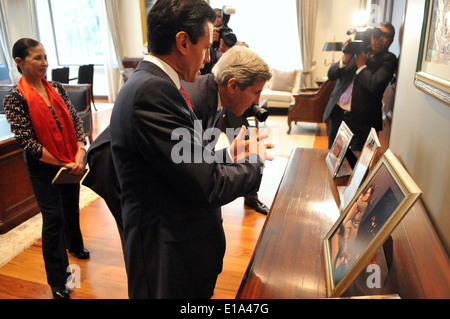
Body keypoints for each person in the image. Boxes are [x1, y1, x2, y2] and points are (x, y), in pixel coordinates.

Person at [110, 0, 269, 299]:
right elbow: (209, 184)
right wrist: (255, 160)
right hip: (167, 253)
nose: (208, 58)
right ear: (183, 42)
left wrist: (226, 156)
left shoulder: (163, 86)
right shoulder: (153, 92)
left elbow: (184, 160)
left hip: (181, 245)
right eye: (206, 47)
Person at [3, 38, 89, 299]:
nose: (45, 63)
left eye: (45, 57)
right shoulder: (14, 99)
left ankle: (74, 245)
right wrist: (65, 162)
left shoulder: (56, 88)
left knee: (71, 207)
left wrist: (80, 150)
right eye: (37, 58)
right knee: (53, 219)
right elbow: (27, 142)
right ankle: (58, 279)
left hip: (69, 160)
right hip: (44, 167)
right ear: (20, 62)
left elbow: (75, 120)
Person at [183, 45, 273, 215]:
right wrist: (255, 160)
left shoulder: (213, 94)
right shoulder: (193, 103)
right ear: (233, 86)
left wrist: (230, 154)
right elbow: (203, 184)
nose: (257, 101)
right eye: (256, 92)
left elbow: (199, 162)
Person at [323, 22, 398, 154]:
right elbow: (332, 75)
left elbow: (374, 85)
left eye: (385, 36)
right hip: (338, 115)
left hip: (363, 122)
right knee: (333, 156)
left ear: (391, 40)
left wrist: (362, 66)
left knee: (357, 164)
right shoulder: (358, 51)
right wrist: (345, 59)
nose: (379, 38)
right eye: (377, 34)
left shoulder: (388, 59)